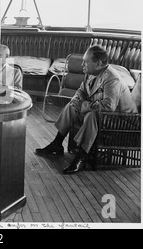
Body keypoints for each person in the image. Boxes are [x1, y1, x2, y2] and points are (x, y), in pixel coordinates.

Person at [35, 45, 138, 174]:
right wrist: (76, 102)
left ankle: (81, 158)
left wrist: (84, 106)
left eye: (86, 61)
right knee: (71, 107)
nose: (82, 64)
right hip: (105, 116)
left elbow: (108, 106)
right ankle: (57, 143)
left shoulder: (113, 79)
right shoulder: (91, 73)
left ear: (99, 63)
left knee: (92, 115)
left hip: (121, 121)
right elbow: (81, 92)